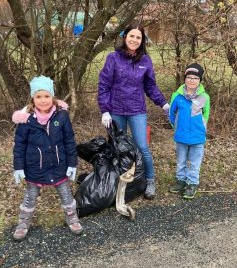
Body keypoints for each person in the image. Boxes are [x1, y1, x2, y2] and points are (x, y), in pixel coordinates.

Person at [98, 22, 170, 199]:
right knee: (116, 147)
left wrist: (164, 104)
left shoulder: (145, 60)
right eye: (132, 36)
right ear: (125, 37)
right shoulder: (113, 58)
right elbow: (104, 85)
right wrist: (105, 110)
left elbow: (150, 86)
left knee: (142, 146)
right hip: (115, 110)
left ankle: (150, 180)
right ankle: (115, 180)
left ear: (142, 40)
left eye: (138, 37)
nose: (135, 39)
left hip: (137, 110)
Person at [12, 75, 83, 240]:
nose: (43, 100)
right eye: (38, 96)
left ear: (52, 97)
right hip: (34, 167)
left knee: (66, 195)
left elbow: (69, 141)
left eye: (46, 96)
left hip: (59, 165)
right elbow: (20, 145)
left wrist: (72, 164)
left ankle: (72, 218)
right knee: (30, 197)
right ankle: (23, 223)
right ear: (32, 98)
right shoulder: (26, 120)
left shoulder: (62, 116)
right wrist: (18, 166)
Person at [168, 63, 210, 199]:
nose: (192, 80)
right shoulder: (177, 96)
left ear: (200, 81)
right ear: (185, 79)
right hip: (181, 135)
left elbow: (206, 115)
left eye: (195, 78)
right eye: (189, 77)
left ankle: (192, 183)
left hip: (198, 136)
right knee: (181, 160)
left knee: (195, 161)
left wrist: (202, 129)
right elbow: (171, 113)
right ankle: (180, 180)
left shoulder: (205, 97)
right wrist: (176, 127)